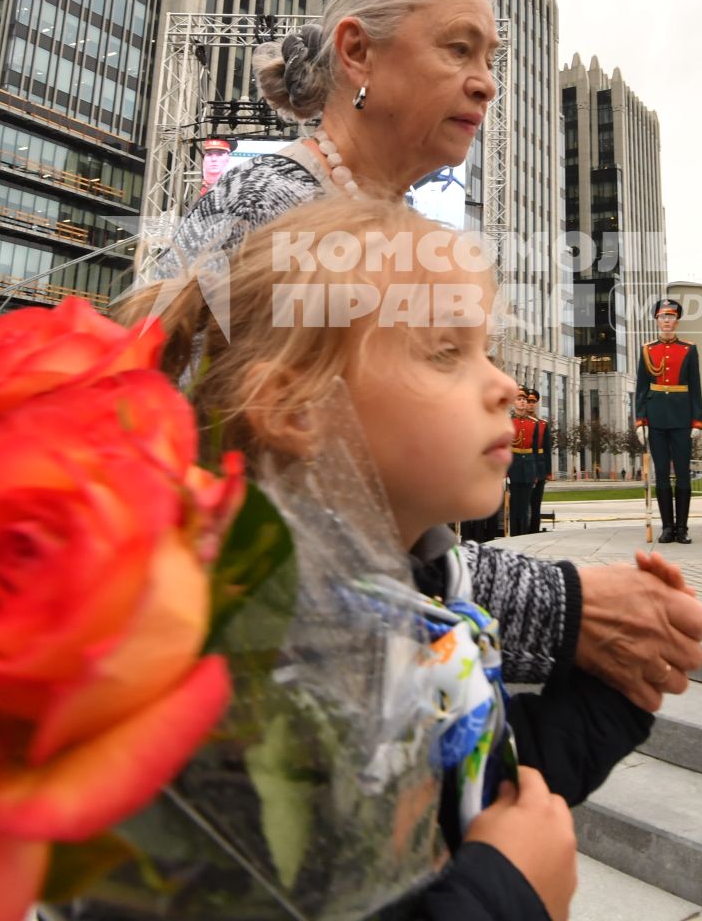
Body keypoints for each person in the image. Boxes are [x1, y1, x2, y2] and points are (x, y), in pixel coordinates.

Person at [122, 0, 702, 710]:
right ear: (358, 52)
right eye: (458, 48)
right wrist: (561, 607)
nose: (488, 82)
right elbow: (267, 533)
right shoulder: (270, 209)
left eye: (491, 56)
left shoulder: (389, 230)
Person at [157, 197, 666, 918]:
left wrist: (616, 699)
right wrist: (508, 895)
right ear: (299, 408)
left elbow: (461, 764)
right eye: (447, 353)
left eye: (488, 350)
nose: (505, 387)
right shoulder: (264, 678)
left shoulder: (404, 597)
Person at [637, 297, 702, 543]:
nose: (667, 321)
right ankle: (667, 527)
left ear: (677, 320)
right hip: (655, 419)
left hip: (681, 418)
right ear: (657, 319)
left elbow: (696, 387)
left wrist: (697, 421)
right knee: (662, 474)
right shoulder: (647, 349)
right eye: (663, 317)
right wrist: (640, 421)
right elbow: (642, 388)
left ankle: (682, 528)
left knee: (683, 474)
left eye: (671, 317)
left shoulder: (689, 349)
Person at [507, 388, 543, 537]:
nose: (522, 402)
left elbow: (535, 449)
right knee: (514, 505)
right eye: (519, 399)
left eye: (524, 399)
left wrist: (535, 472)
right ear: (514, 402)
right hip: (513, 466)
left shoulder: (533, 423)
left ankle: (523, 535)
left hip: (528, 467)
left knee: (524, 505)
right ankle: (514, 534)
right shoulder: (508, 422)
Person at [525, 387, 553, 530]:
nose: (530, 404)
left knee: (536, 504)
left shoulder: (542, 424)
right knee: (522, 504)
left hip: (539, 468)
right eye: (528, 401)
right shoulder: (517, 422)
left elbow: (547, 450)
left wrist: (548, 472)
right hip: (522, 467)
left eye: (533, 401)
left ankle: (534, 530)